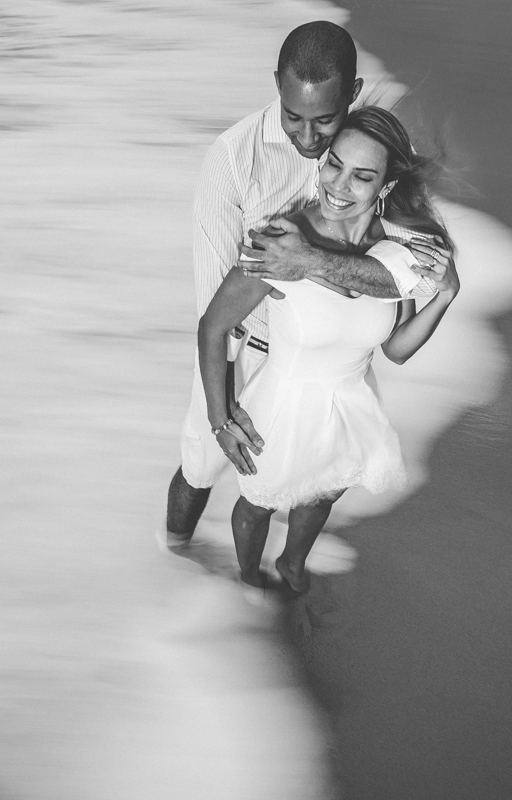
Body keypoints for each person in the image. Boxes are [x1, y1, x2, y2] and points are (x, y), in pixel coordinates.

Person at [165, 21, 437, 547]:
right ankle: (174, 556)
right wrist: (221, 412)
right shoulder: (232, 160)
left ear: (352, 96)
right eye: (294, 117)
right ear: (277, 86)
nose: (310, 138)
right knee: (200, 467)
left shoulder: (368, 154)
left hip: (330, 356)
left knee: (316, 481)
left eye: (325, 120)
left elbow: (410, 264)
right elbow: (214, 311)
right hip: (246, 350)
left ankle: (284, 573)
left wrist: (310, 261)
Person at [198, 105, 460, 593]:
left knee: (320, 500)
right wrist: (220, 417)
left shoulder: (392, 252)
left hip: (350, 403)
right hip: (281, 409)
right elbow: (213, 326)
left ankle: (294, 568)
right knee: (257, 506)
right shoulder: (280, 241)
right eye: (334, 164)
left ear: (383, 188)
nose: (338, 185)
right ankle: (250, 580)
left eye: (361, 176)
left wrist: (445, 294)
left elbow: (397, 350)